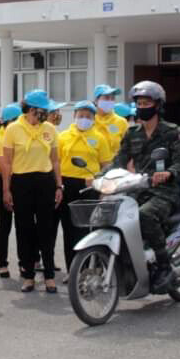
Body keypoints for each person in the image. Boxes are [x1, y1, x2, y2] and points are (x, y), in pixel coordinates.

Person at [106, 81, 180, 293]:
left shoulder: (172, 132)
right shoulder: (132, 133)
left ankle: (164, 267)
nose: (142, 107)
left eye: (147, 103)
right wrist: (99, 176)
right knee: (112, 213)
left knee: (144, 216)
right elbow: (119, 160)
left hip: (165, 191)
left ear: (158, 105)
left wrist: (169, 173)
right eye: (139, 103)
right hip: (138, 188)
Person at [1, 89, 63, 293]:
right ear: (30, 109)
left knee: (46, 229)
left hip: (45, 180)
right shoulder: (13, 129)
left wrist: (59, 185)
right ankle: (28, 275)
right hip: (21, 182)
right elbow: (8, 163)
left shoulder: (50, 129)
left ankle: (49, 276)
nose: (45, 113)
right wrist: (6, 189)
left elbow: (55, 160)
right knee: (24, 229)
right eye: (41, 110)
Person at [57, 101, 113, 271]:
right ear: (74, 116)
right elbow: (56, 162)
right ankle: (72, 270)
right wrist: (58, 185)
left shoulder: (99, 138)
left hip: (90, 187)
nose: (84, 119)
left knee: (89, 229)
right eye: (80, 115)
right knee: (69, 229)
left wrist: (100, 182)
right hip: (67, 184)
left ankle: (90, 268)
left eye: (88, 116)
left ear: (94, 118)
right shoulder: (63, 136)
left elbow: (106, 164)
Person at [0, 103, 22, 279]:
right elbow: (5, 168)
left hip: (20, 181)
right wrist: (6, 190)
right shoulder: (0, 139)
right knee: (5, 225)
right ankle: (2, 264)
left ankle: (25, 261)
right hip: (4, 180)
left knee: (23, 225)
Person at [92, 84, 129, 156]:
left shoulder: (121, 122)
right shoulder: (89, 121)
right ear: (96, 100)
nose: (110, 101)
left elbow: (128, 147)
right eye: (106, 98)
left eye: (112, 98)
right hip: (93, 164)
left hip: (115, 165)